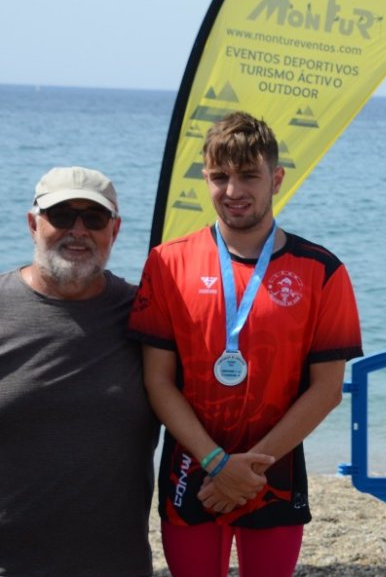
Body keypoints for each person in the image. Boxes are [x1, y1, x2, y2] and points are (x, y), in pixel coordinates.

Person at [129, 112, 362, 577]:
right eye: (219, 177)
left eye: (248, 176)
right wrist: (217, 462)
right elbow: (157, 381)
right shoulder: (167, 263)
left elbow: (327, 390)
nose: (233, 191)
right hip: (191, 471)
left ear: (276, 179)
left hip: (273, 471)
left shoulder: (322, 270)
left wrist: (248, 470)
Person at [0, 166, 159, 577]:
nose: (78, 230)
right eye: (61, 216)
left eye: (93, 218)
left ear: (115, 230)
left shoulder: (144, 315)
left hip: (117, 565)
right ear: (33, 224)